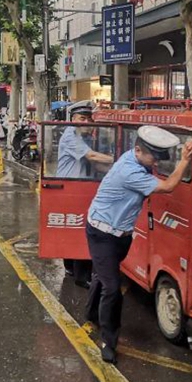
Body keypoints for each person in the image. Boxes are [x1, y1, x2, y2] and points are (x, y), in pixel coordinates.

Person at [86, 125, 192, 364]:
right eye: (153, 157)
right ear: (137, 150)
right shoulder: (129, 171)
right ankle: (109, 341)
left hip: (121, 234)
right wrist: (185, 160)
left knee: (103, 275)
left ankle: (91, 312)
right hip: (101, 234)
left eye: (158, 158)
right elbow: (167, 187)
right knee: (113, 288)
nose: (155, 162)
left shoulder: (136, 159)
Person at [57, 100, 114, 287]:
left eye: (89, 119)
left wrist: (114, 171)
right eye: (82, 118)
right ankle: (80, 276)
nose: (86, 123)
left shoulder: (85, 138)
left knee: (76, 230)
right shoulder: (70, 136)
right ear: (73, 119)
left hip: (80, 188)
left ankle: (72, 269)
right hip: (69, 189)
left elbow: (95, 164)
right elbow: (92, 156)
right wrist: (121, 160)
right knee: (80, 231)